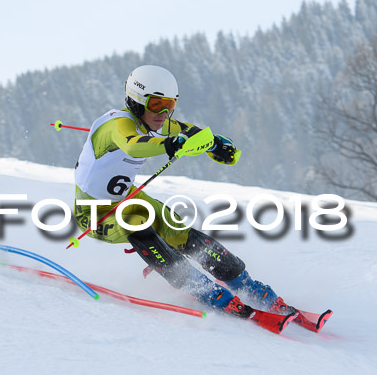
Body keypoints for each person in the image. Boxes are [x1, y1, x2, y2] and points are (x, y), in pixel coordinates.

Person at [72, 65, 294, 321]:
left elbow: (187, 131)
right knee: (137, 224)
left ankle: (246, 285)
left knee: (181, 233)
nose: (164, 114)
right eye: (156, 104)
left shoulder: (155, 120)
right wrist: (167, 144)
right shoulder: (117, 125)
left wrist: (215, 144)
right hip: (94, 214)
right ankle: (202, 289)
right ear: (135, 100)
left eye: (170, 105)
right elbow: (132, 145)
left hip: (128, 198)